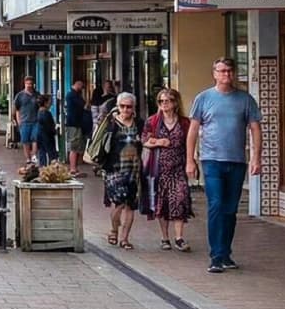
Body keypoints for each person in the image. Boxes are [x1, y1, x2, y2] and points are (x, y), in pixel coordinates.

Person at [188, 57, 262, 274]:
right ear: (214, 74)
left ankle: (225, 253)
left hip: (237, 160)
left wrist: (256, 158)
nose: (226, 75)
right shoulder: (203, 98)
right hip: (212, 160)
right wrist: (190, 159)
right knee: (216, 204)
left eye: (229, 71)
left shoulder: (245, 99)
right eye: (222, 71)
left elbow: (255, 129)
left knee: (230, 209)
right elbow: (193, 130)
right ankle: (216, 256)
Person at [94, 92, 147, 250]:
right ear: (117, 107)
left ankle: (124, 238)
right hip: (114, 169)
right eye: (122, 106)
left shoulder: (139, 123)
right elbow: (99, 140)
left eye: (128, 106)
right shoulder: (111, 123)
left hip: (134, 170)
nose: (125, 109)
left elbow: (146, 141)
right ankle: (113, 229)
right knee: (118, 203)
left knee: (130, 205)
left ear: (134, 108)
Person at [145, 87, 194, 253]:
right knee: (162, 203)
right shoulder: (153, 121)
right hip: (159, 168)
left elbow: (190, 142)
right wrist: (159, 142)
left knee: (180, 199)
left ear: (175, 103)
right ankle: (165, 237)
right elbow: (144, 140)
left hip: (178, 167)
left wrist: (191, 161)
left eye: (167, 101)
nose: (164, 104)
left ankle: (179, 238)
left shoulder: (184, 123)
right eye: (161, 101)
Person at [64, 79, 91, 177]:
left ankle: (74, 168)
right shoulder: (72, 95)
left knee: (76, 146)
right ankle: (73, 169)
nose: (82, 88)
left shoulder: (73, 95)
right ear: (77, 84)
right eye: (81, 86)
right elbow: (84, 106)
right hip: (74, 124)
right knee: (74, 147)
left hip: (76, 124)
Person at [13, 76, 41, 164]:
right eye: (27, 84)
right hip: (24, 121)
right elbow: (17, 109)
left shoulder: (37, 95)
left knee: (35, 139)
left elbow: (41, 107)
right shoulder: (20, 96)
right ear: (24, 84)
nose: (29, 85)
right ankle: (28, 158)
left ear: (33, 84)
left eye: (31, 84)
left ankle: (33, 156)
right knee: (25, 141)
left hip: (35, 121)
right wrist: (19, 121)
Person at [33, 95, 59, 167]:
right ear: (45, 103)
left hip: (40, 135)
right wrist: (54, 131)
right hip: (46, 136)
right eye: (50, 102)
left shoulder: (39, 112)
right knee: (51, 154)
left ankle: (42, 167)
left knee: (42, 153)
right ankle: (50, 168)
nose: (51, 104)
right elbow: (49, 126)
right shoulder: (46, 113)